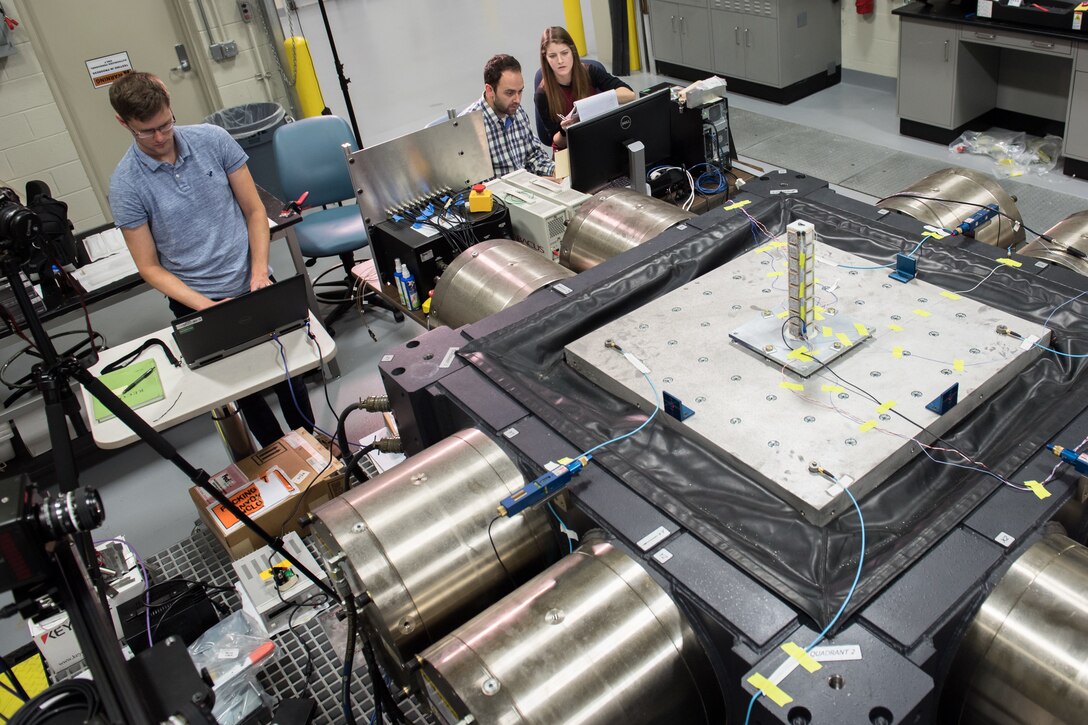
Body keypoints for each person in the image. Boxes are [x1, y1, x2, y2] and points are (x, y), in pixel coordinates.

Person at [107, 71, 315, 448]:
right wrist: (209, 309)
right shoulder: (126, 185)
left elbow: (254, 212)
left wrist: (258, 275)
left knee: (288, 372)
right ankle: (278, 455)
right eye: (146, 131)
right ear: (122, 123)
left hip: (253, 281)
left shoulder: (213, 140)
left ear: (170, 103)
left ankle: (312, 445)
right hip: (197, 302)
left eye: (165, 124)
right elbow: (149, 266)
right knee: (241, 386)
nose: (159, 137)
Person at [534, 26, 636, 150]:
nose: (560, 61)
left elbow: (630, 94)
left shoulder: (590, 72)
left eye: (564, 53)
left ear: (573, 52)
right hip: (571, 148)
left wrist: (598, 102)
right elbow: (556, 141)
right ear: (545, 59)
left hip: (599, 138)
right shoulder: (542, 94)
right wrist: (563, 131)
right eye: (552, 56)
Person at [462, 54, 555, 178]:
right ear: (490, 90)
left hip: (527, 188)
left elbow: (534, 156)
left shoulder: (516, 111)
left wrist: (555, 172)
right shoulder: (470, 128)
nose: (517, 100)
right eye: (509, 93)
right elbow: (473, 186)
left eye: (520, 91)